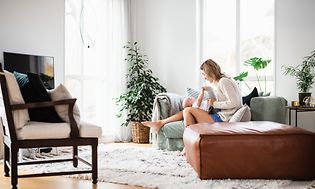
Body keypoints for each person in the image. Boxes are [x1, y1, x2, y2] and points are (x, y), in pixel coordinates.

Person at [142, 59, 242, 132]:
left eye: (204, 74)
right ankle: (161, 123)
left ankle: (186, 142)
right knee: (187, 111)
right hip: (221, 116)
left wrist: (215, 104)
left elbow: (235, 102)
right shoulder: (222, 82)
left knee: (187, 110)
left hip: (224, 119)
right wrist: (211, 93)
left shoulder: (223, 82)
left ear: (209, 72)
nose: (204, 77)